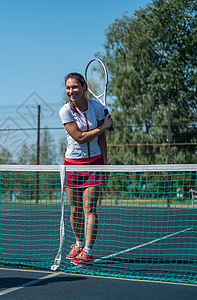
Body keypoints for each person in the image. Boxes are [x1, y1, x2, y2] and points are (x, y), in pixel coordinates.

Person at [58, 72, 113, 266]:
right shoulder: (65, 111)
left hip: (95, 164)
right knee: (75, 210)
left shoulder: (97, 108)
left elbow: (102, 139)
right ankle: (78, 242)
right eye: (68, 88)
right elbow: (80, 137)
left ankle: (88, 250)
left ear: (84, 87)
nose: (71, 91)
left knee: (89, 207)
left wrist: (105, 165)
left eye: (74, 87)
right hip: (72, 165)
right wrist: (103, 127)